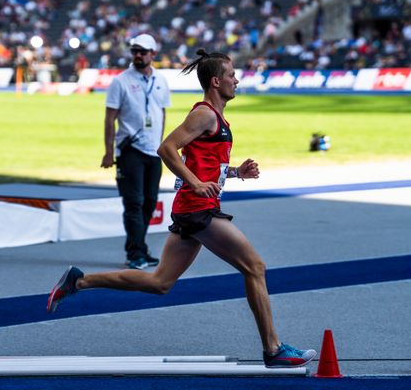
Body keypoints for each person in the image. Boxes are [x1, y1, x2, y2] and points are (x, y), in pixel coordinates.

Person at [48, 49, 316, 368]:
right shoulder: (204, 114)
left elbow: (204, 163)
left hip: (194, 206)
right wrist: (194, 183)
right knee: (255, 267)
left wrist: (234, 172)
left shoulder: (217, 119)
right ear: (216, 81)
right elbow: (166, 148)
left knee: (160, 282)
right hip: (198, 208)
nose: (237, 80)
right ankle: (273, 349)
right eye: (231, 76)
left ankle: (79, 281)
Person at [100, 33, 171, 270]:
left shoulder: (160, 80)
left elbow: (162, 113)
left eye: (142, 51)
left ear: (153, 54)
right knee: (134, 202)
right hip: (130, 149)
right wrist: (109, 152)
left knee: (149, 202)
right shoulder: (120, 81)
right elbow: (110, 119)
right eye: (134, 51)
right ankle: (135, 253)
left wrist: (161, 144)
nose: (138, 55)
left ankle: (139, 248)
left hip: (154, 151)